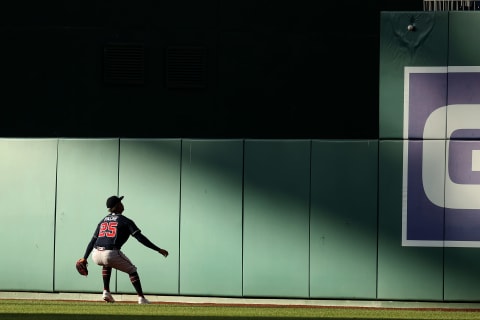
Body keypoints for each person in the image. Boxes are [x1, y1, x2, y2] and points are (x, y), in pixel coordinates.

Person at [77, 195, 169, 304]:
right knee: (132, 270)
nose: (122, 204)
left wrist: (84, 257)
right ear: (118, 206)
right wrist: (158, 249)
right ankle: (141, 298)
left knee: (107, 264)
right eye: (120, 202)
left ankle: (106, 291)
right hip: (111, 253)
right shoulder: (125, 221)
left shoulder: (103, 221)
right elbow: (140, 238)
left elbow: (93, 240)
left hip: (95, 254)